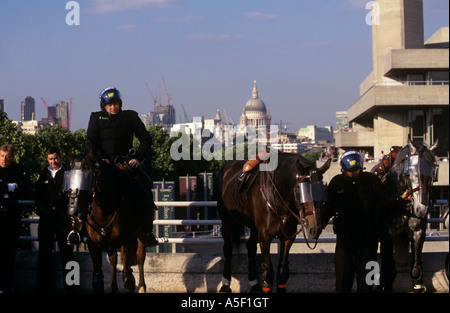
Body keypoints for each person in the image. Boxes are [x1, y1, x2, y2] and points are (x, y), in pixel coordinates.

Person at [322, 150, 410, 293]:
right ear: (344, 169)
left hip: (369, 241)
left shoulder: (371, 180)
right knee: (342, 282)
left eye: (356, 169)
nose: (354, 173)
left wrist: (400, 199)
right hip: (345, 242)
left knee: (369, 282)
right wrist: (321, 220)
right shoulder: (337, 182)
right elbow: (329, 207)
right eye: (350, 171)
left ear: (361, 167)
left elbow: (385, 201)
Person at [80, 87, 158, 247]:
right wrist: (101, 159)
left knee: (144, 184)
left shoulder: (130, 116)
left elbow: (146, 138)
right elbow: (90, 142)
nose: (113, 107)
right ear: (104, 106)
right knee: (82, 189)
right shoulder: (96, 118)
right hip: (102, 165)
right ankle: (79, 229)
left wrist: (137, 158)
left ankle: (148, 231)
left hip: (125, 164)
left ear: (120, 104)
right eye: (109, 105)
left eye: (115, 104)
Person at [34, 147, 75, 292]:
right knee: (44, 254)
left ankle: (72, 287)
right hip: (46, 220)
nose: (53, 161)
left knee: (69, 254)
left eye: (55, 158)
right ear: (47, 159)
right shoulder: (43, 174)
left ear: (60, 157)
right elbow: (37, 195)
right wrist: (41, 209)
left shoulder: (68, 173)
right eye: (50, 159)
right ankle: (42, 287)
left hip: (64, 220)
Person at [0, 144, 24, 293]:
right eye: (2, 156)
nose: (4, 159)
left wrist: (3, 187)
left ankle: (7, 285)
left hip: (10, 219)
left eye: (7, 156)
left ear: (12, 157)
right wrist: (10, 187)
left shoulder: (17, 170)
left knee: (8, 254)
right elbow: (12, 188)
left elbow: (22, 188)